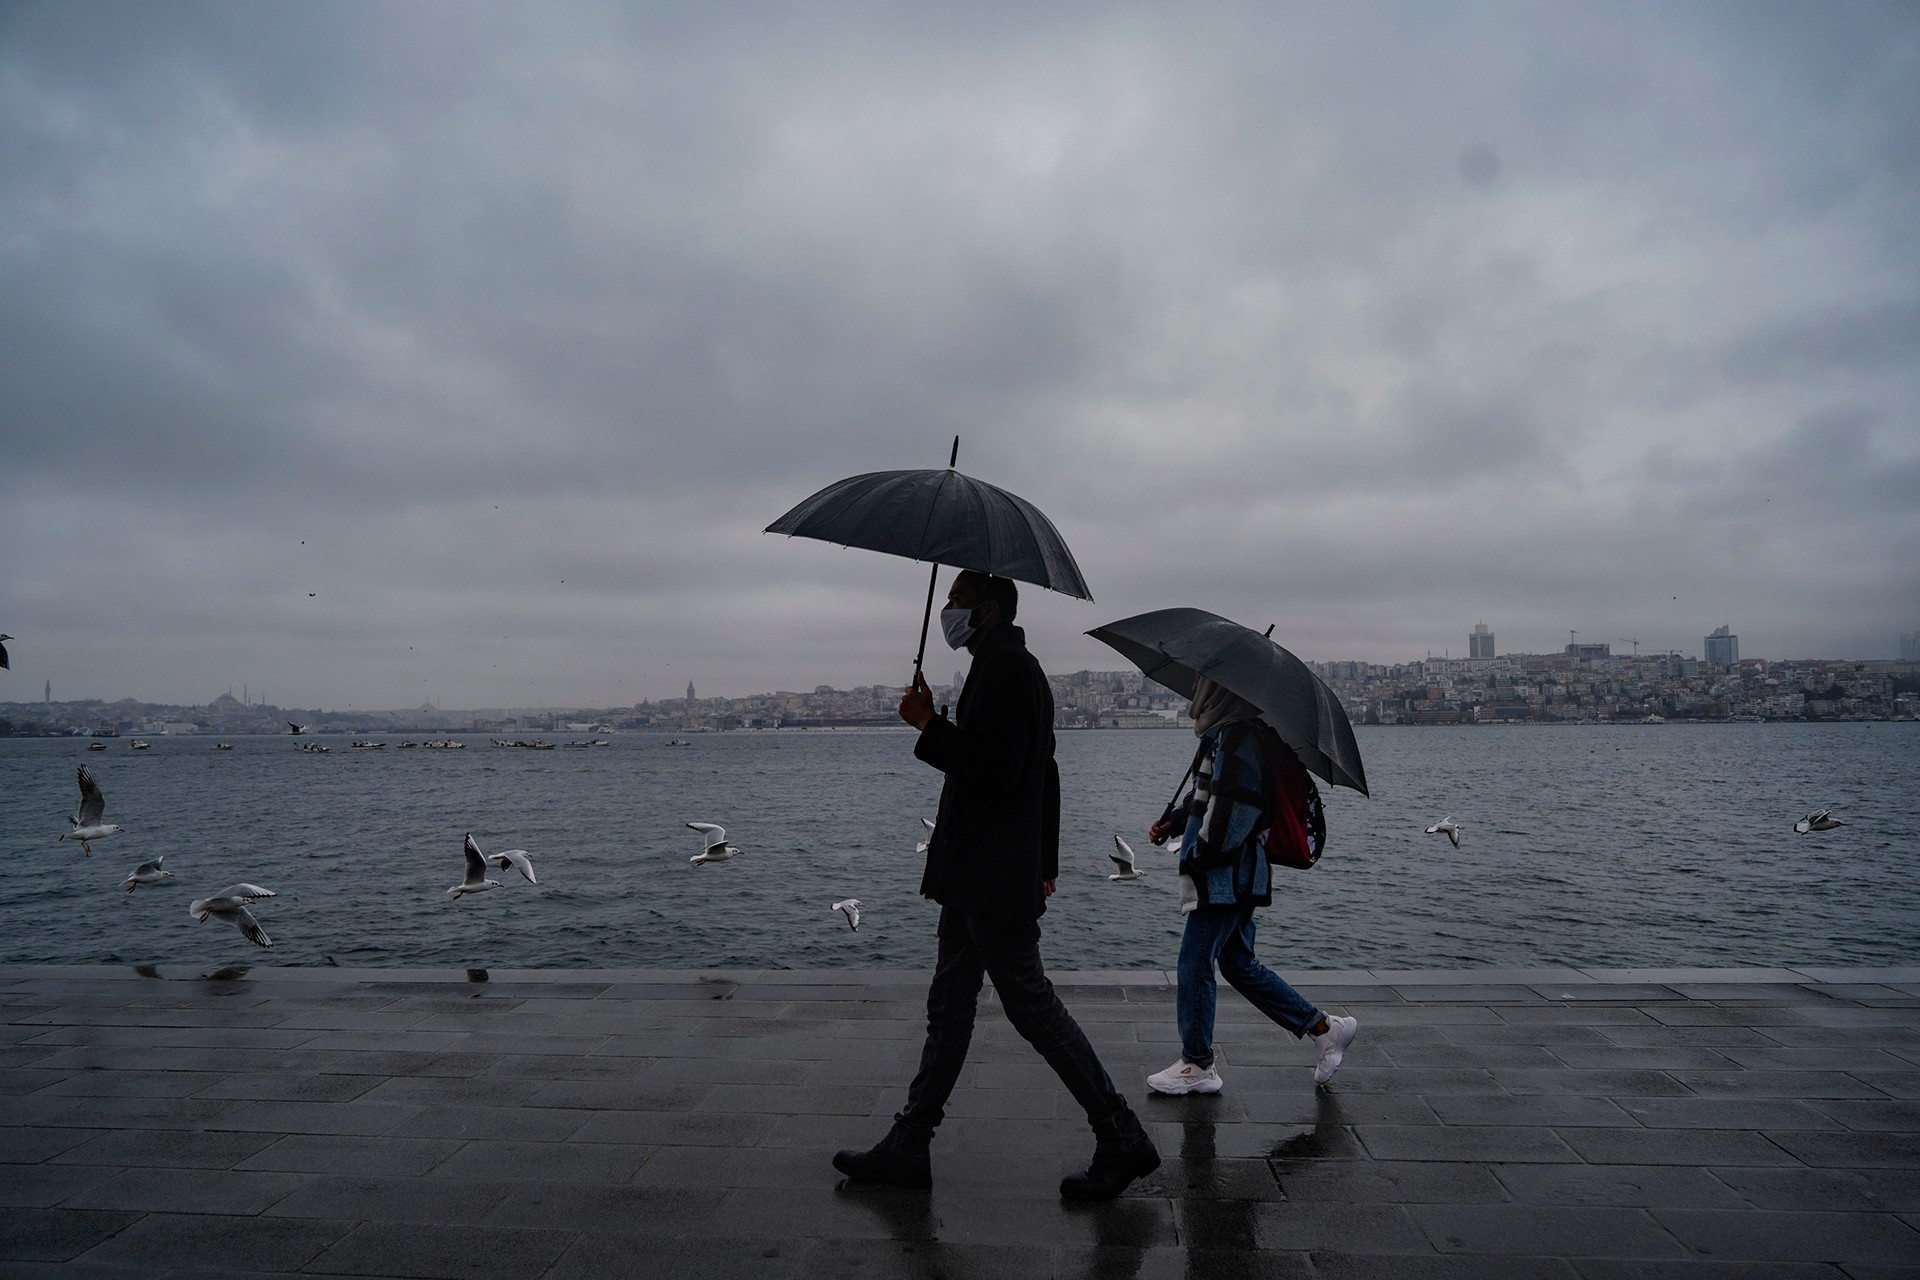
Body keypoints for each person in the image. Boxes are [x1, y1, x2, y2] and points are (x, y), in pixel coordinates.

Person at [833, 569, 1161, 1200]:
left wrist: (928, 726)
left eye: (955, 602)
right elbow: (1046, 773)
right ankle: (910, 1142)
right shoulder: (1002, 665)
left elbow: (1000, 770)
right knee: (949, 1007)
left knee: (1032, 1007)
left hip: (989, 875)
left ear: (986, 609)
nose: (947, 612)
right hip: (979, 873)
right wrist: (1046, 861)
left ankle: (1121, 1136)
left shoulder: (1008, 670)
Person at [1143, 676, 1357, 1095]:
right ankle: (1323, 1028)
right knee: (1238, 963)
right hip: (1240, 874)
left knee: (1194, 960)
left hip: (1227, 877)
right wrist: (1175, 822)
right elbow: (1210, 796)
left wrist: (1198, 856)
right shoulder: (1228, 734)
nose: (1197, 693)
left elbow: (1236, 809)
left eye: (1206, 686)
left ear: (1219, 694)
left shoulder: (1238, 737)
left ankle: (1197, 1064)